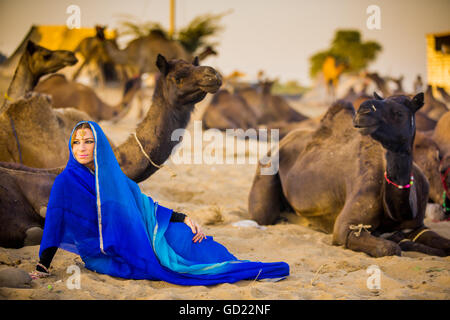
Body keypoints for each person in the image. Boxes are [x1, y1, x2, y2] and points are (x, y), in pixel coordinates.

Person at [30, 121, 289, 285]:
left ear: (100, 146)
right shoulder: (65, 182)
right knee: (173, 261)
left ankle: (230, 263)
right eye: (76, 142)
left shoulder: (107, 177)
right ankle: (228, 268)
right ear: (71, 147)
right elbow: (54, 223)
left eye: (89, 141)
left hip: (141, 231)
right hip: (107, 250)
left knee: (188, 236)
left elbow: (143, 204)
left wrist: (182, 217)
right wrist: (43, 266)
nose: (82, 148)